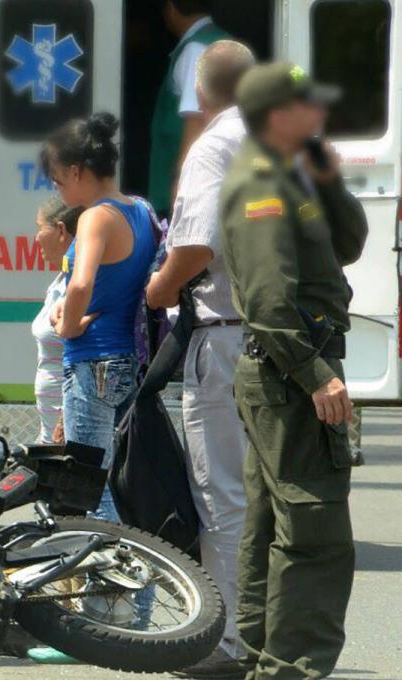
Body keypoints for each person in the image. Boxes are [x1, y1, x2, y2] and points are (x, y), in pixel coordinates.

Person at [221, 62, 365, 680]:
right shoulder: (260, 182)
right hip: (288, 377)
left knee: (272, 526)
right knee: (314, 531)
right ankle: (291, 669)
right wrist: (315, 375)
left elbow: (351, 242)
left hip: (285, 376)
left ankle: (263, 661)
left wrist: (330, 176)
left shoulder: (292, 175)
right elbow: (268, 300)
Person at [144, 40, 255, 679]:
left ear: (201, 93)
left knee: (223, 498)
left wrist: (157, 291)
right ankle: (271, 631)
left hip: (226, 335)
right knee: (271, 497)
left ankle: (227, 643)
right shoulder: (287, 143)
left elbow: (195, 245)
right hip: (289, 344)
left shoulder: (215, 146)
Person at [40, 112, 158, 520]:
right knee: (113, 478)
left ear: (76, 171)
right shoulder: (139, 211)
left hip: (91, 361)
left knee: (88, 487)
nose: (57, 188)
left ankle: (130, 584)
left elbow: (81, 283)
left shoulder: (95, 217)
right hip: (126, 360)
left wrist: (69, 323)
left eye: (57, 179)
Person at [149, 0, 229, 216]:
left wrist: (182, 184)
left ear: (171, 8)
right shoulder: (221, 41)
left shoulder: (195, 49)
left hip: (190, 187)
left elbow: (195, 121)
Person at [31, 196, 83, 444]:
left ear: (61, 230)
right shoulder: (60, 283)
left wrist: (63, 424)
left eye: (40, 228)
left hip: (69, 432)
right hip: (51, 433)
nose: (36, 238)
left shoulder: (79, 285)